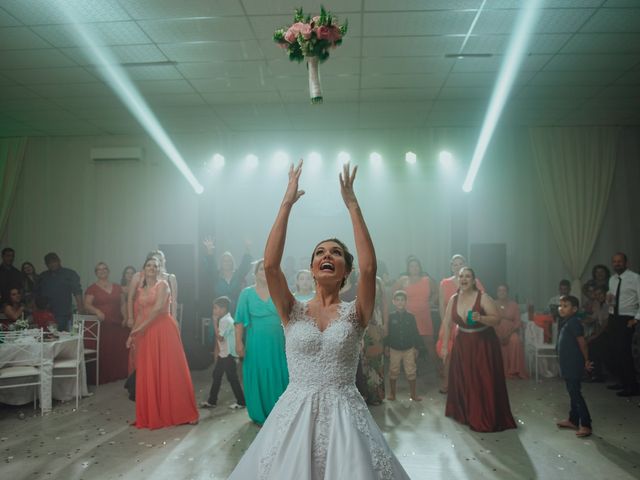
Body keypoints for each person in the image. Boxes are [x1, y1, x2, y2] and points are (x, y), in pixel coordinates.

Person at [229, 161, 411, 479]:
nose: (327, 255)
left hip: (346, 417)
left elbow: (370, 269)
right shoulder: (291, 309)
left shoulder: (356, 313)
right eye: (320, 253)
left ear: (346, 271)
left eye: (336, 253)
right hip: (295, 415)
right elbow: (271, 266)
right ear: (312, 269)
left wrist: (352, 204)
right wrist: (286, 202)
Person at [126, 256, 198, 429]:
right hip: (146, 332)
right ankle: (153, 413)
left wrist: (138, 330)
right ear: (144, 269)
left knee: (171, 370)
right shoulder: (141, 289)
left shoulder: (163, 285)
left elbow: (158, 310)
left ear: (159, 269)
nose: (152, 268)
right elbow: (142, 313)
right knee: (149, 371)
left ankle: (185, 412)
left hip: (163, 330)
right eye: (149, 265)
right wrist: (132, 334)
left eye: (155, 266)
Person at [442, 267, 516, 432]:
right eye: (461, 276)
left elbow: (497, 320)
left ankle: (483, 415)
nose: (464, 279)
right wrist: (446, 346)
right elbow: (447, 323)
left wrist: (481, 318)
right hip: (462, 345)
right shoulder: (453, 298)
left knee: (482, 381)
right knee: (464, 379)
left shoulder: (483, 298)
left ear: (474, 280)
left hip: (483, 345)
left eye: (468, 276)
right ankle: (465, 413)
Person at [234, 259, 288, 425]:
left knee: (280, 373)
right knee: (257, 373)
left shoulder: (280, 291)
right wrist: (238, 343)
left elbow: (289, 318)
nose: (264, 272)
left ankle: (281, 412)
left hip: (278, 342)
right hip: (256, 341)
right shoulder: (246, 294)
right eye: (261, 269)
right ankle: (259, 412)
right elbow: (239, 321)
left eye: (267, 269)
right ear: (255, 273)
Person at [436, 254, 485, 393]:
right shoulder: (444, 283)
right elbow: (441, 305)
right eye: (454, 264)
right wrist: (445, 323)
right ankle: (447, 384)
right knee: (447, 355)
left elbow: (482, 300)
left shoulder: (474, 281)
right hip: (449, 324)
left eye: (460, 263)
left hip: (468, 324)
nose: (457, 266)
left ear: (465, 264)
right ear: (451, 266)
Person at [84, 262, 129, 384]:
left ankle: (119, 373)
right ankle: (101, 376)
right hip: (102, 323)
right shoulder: (92, 288)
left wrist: (125, 317)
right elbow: (87, 305)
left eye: (104, 269)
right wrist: (97, 311)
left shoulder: (117, 287)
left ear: (108, 271)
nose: (102, 271)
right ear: (96, 273)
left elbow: (123, 303)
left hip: (116, 321)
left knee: (120, 345)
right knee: (104, 349)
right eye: (99, 270)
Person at [556, 295, 593, 437]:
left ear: (575, 309)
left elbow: (582, 343)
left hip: (573, 364)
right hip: (567, 364)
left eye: (565, 305)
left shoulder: (574, 323)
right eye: (561, 305)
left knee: (576, 394)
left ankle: (586, 424)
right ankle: (573, 420)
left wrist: (586, 360)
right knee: (572, 392)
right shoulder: (567, 322)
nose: (561, 308)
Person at [201, 296, 246, 409]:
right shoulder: (226, 319)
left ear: (223, 309)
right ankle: (212, 401)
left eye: (216, 308)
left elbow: (220, 337)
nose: (214, 311)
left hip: (228, 355)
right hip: (224, 354)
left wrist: (214, 322)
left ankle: (241, 401)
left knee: (232, 378)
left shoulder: (225, 321)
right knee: (217, 375)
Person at [606, 252, 640, 397]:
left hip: (627, 318)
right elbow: (613, 298)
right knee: (615, 351)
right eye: (614, 261)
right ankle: (622, 382)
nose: (616, 264)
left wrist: (636, 319)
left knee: (625, 353)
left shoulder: (635, 278)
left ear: (626, 263)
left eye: (619, 261)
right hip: (614, 317)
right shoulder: (612, 279)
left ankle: (631, 386)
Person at [395, 256, 437, 370]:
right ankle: (410, 369)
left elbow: (437, 292)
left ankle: (438, 367)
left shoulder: (427, 280)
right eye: (411, 266)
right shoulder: (403, 280)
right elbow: (394, 295)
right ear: (408, 268)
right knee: (409, 344)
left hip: (424, 315)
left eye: (416, 266)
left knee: (429, 342)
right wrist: (400, 306)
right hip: (408, 316)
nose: (414, 268)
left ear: (420, 267)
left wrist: (432, 302)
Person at [385, 290, 422, 402]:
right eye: (398, 300)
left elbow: (415, 332)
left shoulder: (411, 317)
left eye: (402, 300)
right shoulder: (390, 317)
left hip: (409, 348)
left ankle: (413, 394)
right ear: (393, 302)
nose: (400, 302)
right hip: (394, 348)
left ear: (406, 302)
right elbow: (387, 333)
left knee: (411, 371)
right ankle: (392, 394)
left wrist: (417, 347)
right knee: (393, 370)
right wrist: (386, 346)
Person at [127, 251, 177, 327]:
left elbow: (173, 301)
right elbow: (130, 298)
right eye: (155, 260)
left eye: (161, 260)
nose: (158, 262)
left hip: (161, 316)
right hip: (140, 314)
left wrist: (174, 319)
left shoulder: (170, 278)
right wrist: (130, 317)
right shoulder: (138, 276)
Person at [203, 237, 252, 315]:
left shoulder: (238, 275)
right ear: (221, 263)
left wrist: (247, 247)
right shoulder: (216, 276)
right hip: (220, 313)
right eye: (224, 261)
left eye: (229, 260)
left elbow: (245, 265)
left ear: (232, 262)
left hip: (237, 312)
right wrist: (209, 250)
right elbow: (210, 265)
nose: (227, 263)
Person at [36, 252, 83, 331]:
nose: (52, 264)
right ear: (46, 264)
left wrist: (80, 307)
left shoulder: (69, 274)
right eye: (49, 263)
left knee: (58, 335)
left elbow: (77, 291)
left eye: (54, 261)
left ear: (59, 261)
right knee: (44, 336)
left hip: (62, 312)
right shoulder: (43, 276)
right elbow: (36, 293)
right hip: (44, 312)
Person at [360, 276, 387, 405]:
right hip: (363, 329)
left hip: (376, 329)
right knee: (363, 363)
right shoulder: (359, 289)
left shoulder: (379, 286)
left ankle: (377, 396)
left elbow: (384, 309)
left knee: (376, 363)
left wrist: (385, 326)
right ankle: (365, 395)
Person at [494, 284, 528, 379]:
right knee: (493, 342)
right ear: (497, 293)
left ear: (507, 292)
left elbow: (517, 322)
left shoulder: (514, 304)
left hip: (511, 331)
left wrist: (508, 334)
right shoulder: (492, 304)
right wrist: (498, 334)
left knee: (515, 340)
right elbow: (490, 321)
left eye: (504, 290)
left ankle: (514, 371)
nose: (502, 292)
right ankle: (497, 371)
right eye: (499, 290)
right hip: (496, 331)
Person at [584, 286, 609, 382]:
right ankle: (592, 373)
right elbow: (593, 318)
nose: (599, 296)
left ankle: (597, 374)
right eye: (596, 294)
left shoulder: (608, 305)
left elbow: (605, 325)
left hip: (609, 332)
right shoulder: (597, 303)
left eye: (601, 294)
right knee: (588, 342)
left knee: (593, 345)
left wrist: (594, 336)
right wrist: (580, 320)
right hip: (600, 332)